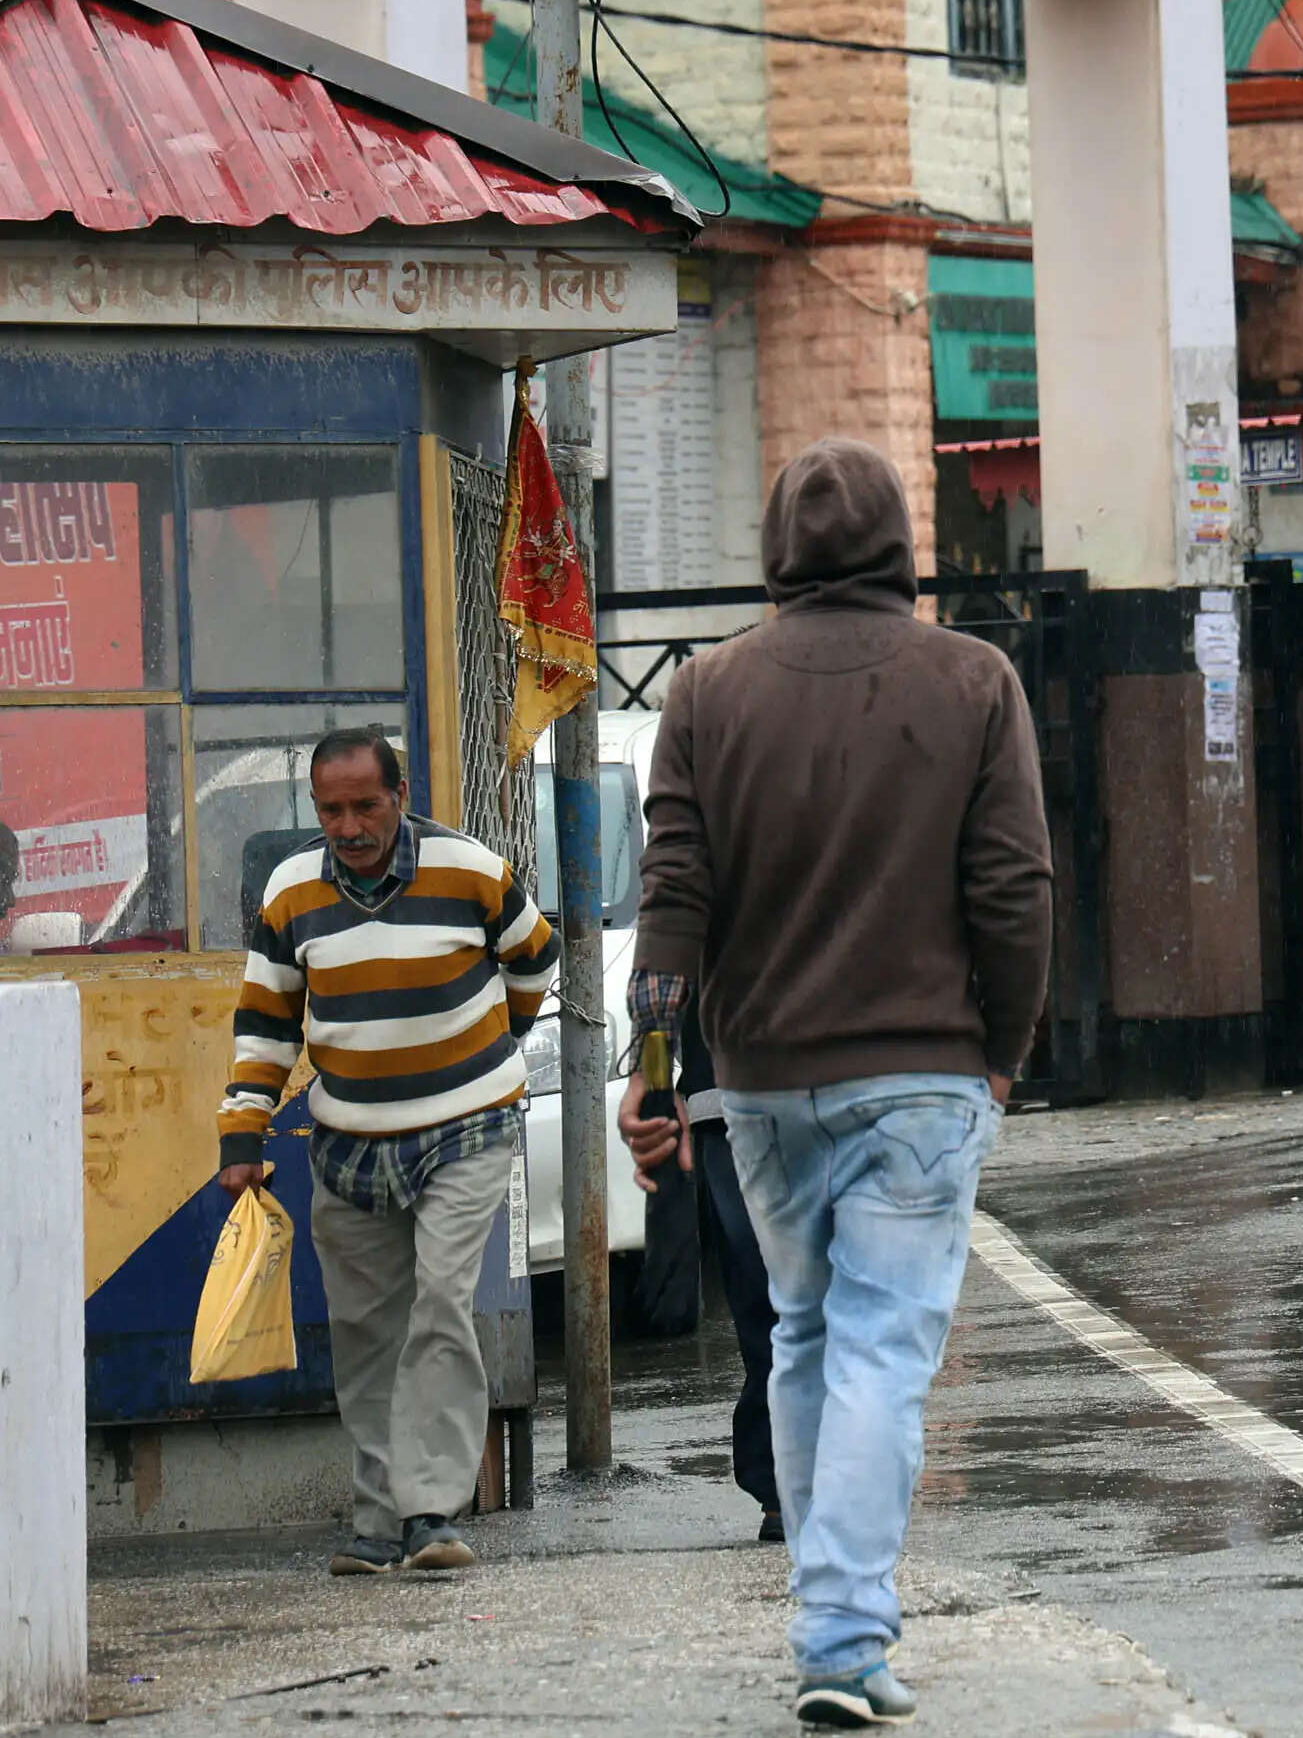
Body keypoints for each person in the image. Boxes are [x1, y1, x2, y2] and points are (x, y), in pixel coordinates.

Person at [621, 437, 1053, 1730]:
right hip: (921, 1072)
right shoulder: (973, 680)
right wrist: (1003, 1048)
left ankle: (826, 1612)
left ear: (778, 552)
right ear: (901, 548)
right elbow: (1015, 889)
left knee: (803, 1339)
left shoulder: (703, 695)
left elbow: (671, 900)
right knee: (879, 1347)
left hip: (758, 1085)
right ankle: (846, 1636)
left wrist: (654, 1078)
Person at [215, 726, 556, 1577]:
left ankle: (432, 1514)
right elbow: (265, 1023)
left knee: (441, 1302)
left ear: (400, 797)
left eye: (366, 804)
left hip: (467, 1125)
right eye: (331, 809)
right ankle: (377, 1522)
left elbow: (535, 959)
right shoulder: (291, 892)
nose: (349, 824)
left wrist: (496, 1048)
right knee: (366, 1331)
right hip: (350, 1140)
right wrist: (243, 1134)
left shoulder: (470, 868)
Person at [622, 1004, 782, 1544]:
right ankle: (785, 1486)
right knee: (767, 1305)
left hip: (848, 1080)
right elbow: (668, 963)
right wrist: (656, 1086)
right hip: (732, 1102)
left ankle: (830, 1479)